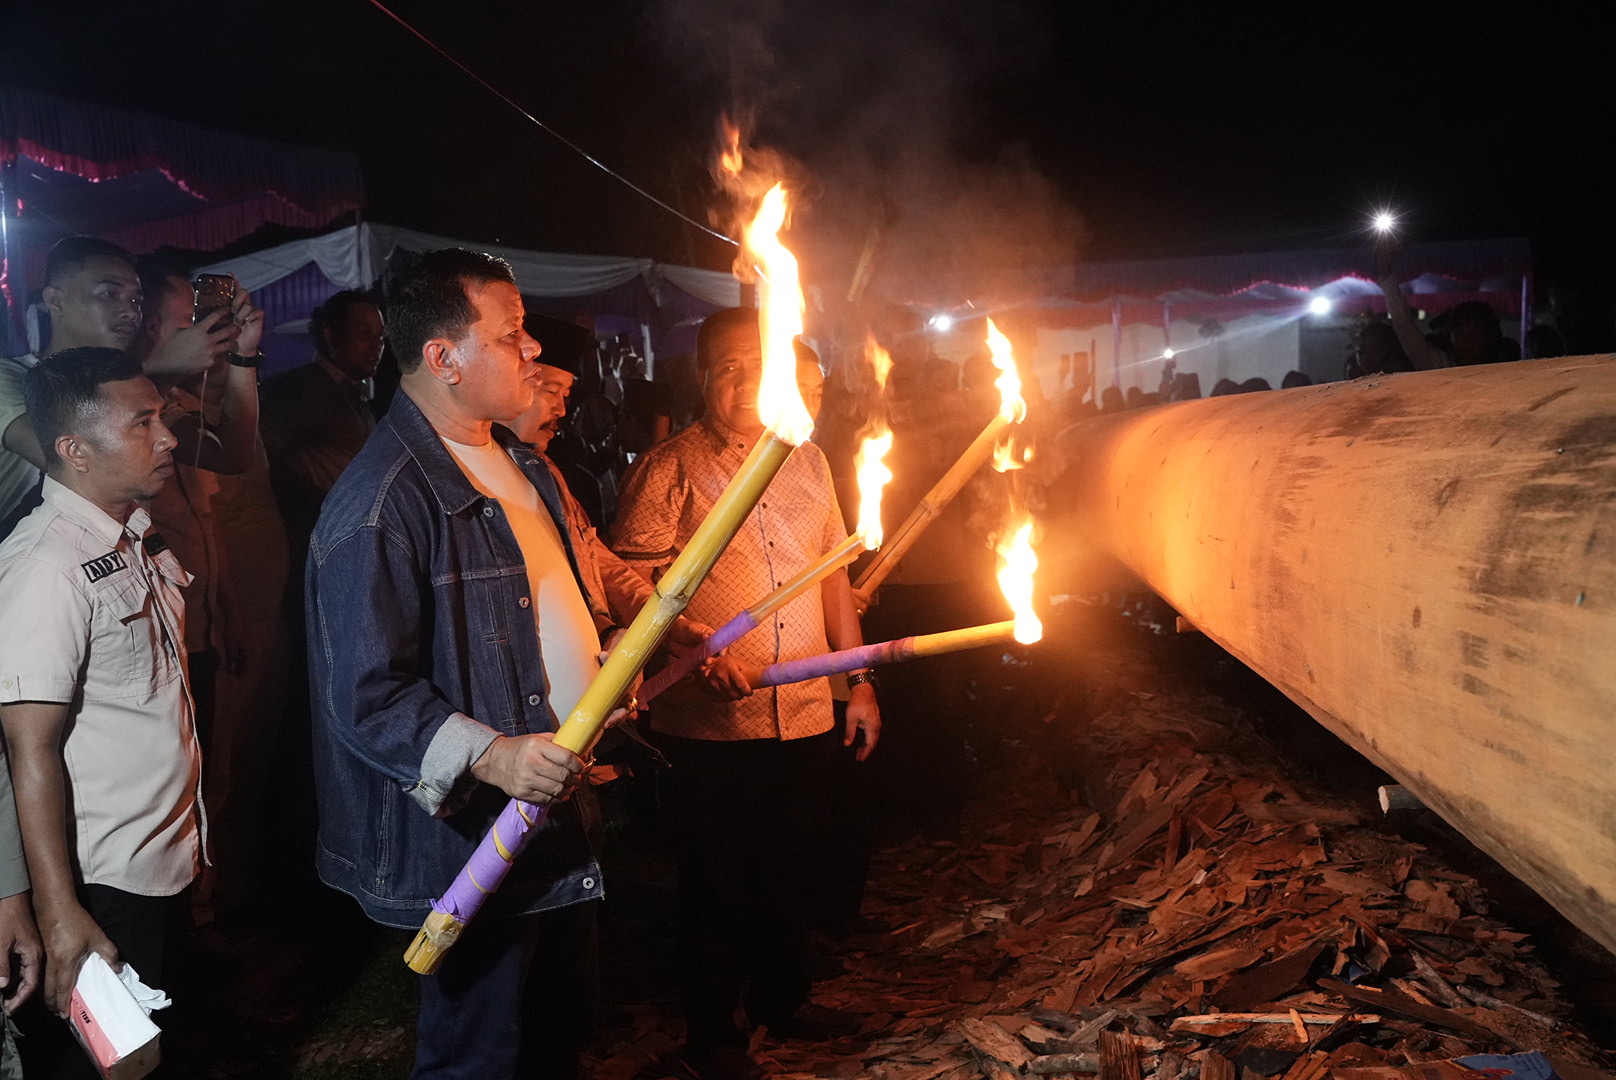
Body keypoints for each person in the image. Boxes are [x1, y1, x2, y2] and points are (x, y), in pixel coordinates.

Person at [306, 250, 643, 1079]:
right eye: (513, 335)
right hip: (469, 835)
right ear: (443, 358)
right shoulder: (383, 501)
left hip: (557, 810)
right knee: (480, 1054)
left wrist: (610, 662)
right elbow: (366, 695)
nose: (533, 351)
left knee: (558, 1034)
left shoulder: (524, 462)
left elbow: (560, 600)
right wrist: (495, 755)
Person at [611, 307, 880, 1080]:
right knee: (714, 877)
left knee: (790, 865)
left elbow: (833, 579)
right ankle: (711, 1033)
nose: (742, 381)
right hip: (707, 721)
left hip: (800, 711)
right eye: (726, 366)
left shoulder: (809, 461)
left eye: (752, 367)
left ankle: (782, 1001)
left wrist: (857, 681)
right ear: (702, 376)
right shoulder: (668, 467)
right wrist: (692, 647)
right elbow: (637, 580)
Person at [0, 348, 204, 1077]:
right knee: (118, 1065)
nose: (168, 437)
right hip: (101, 879)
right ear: (74, 450)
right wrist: (58, 909)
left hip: (162, 859)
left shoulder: (134, 533)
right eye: (143, 422)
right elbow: (30, 748)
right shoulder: (45, 567)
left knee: (160, 1053)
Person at [261, 290, 385, 561]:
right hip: (317, 542)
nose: (376, 345)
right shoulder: (301, 388)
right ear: (330, 335)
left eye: (380, 336)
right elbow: (265, 455)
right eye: (364, 333)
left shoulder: (354, 394)